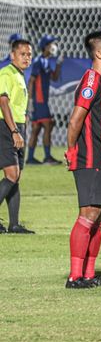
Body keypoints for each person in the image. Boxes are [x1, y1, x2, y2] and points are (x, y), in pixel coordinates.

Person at [64, 31, 101, 288]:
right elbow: (75, 119)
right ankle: (75, 276)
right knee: (88, 214)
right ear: (99, 53)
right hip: (91, 157)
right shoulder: (91, 80)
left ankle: (89, 274)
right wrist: (71, 149)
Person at [0, 39, 33, 234]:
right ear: (13, 55)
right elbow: (3, 102)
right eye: (23, 54)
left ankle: (14, 224)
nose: (27, 57)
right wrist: (14, 131)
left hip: (17, 127)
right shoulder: (6, 73)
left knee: (16, 176)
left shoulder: (20, 75)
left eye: (29, 54)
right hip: (5, 127)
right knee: (12, 174)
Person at [26, 34, 63, 165]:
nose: (54, 46)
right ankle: (47, 157)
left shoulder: (46, 61)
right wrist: (30, 101)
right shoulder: (38, 61)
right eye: (51, 44)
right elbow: (31, 80)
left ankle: (30, 158)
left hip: (41, 101)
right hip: (39, 100)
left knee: (36, 129)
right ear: (45, 46)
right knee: (48, 125)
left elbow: (54, 78)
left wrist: (58, 64)